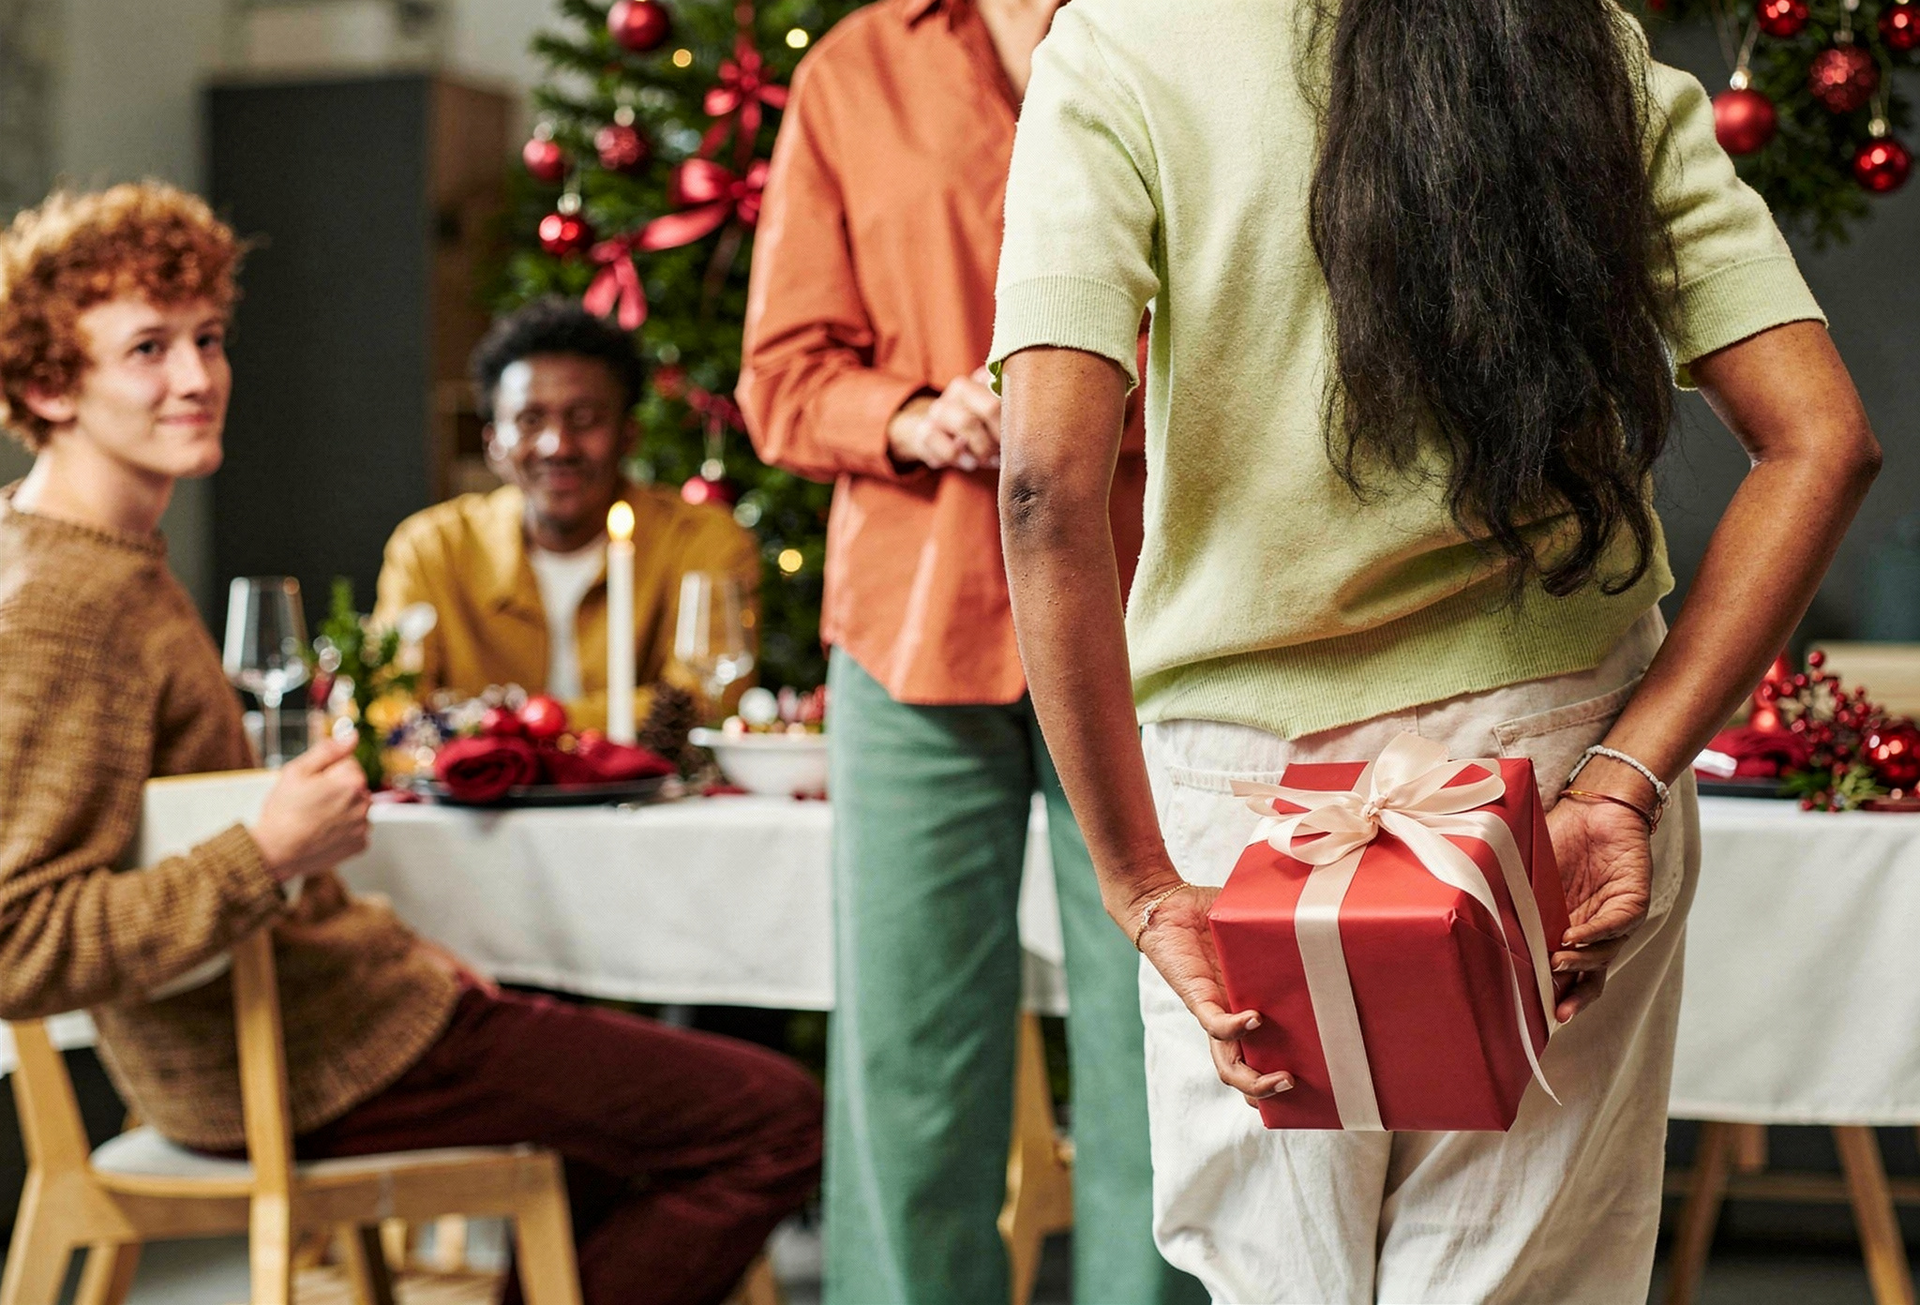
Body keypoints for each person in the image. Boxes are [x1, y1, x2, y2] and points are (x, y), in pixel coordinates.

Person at [989, 2, 1881, 1301]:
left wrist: (1136, 880)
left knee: (1276, 1278)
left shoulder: (1123, 48)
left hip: (1243, 805)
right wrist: (1625, 781)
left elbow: (1042, 489)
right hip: (1551, 774)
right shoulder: (1583, 45)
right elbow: (1823, 440)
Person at [0, 184, 819, 1305]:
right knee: (771, 1121)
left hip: (331, 1017)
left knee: (612, 1125)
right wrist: (268, 851)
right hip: (297, 1063)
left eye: (207, 339)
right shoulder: (66, 602)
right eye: (147, 349)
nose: (197, 377)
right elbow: (16, 940)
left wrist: (391, 944)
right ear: (49, 382)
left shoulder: (104, 560)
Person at [738, 2, 1200, 1302]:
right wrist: (910, 415)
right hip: (913, 628)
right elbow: (782, 375)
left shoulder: (1180, 37)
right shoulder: (856, 67)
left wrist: (1089, 402)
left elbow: (1255, 318)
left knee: (1163, 1038)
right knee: (908, 1062)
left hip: (1148, 620)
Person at [375, 297, 759, 730]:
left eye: (585, 418)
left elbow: (707, 700)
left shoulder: (703, 539)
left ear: (629, 434)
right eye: (529, 420)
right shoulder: (431, 548)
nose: (558, 445)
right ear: (493, 444)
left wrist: (534, 722)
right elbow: (390, 704)